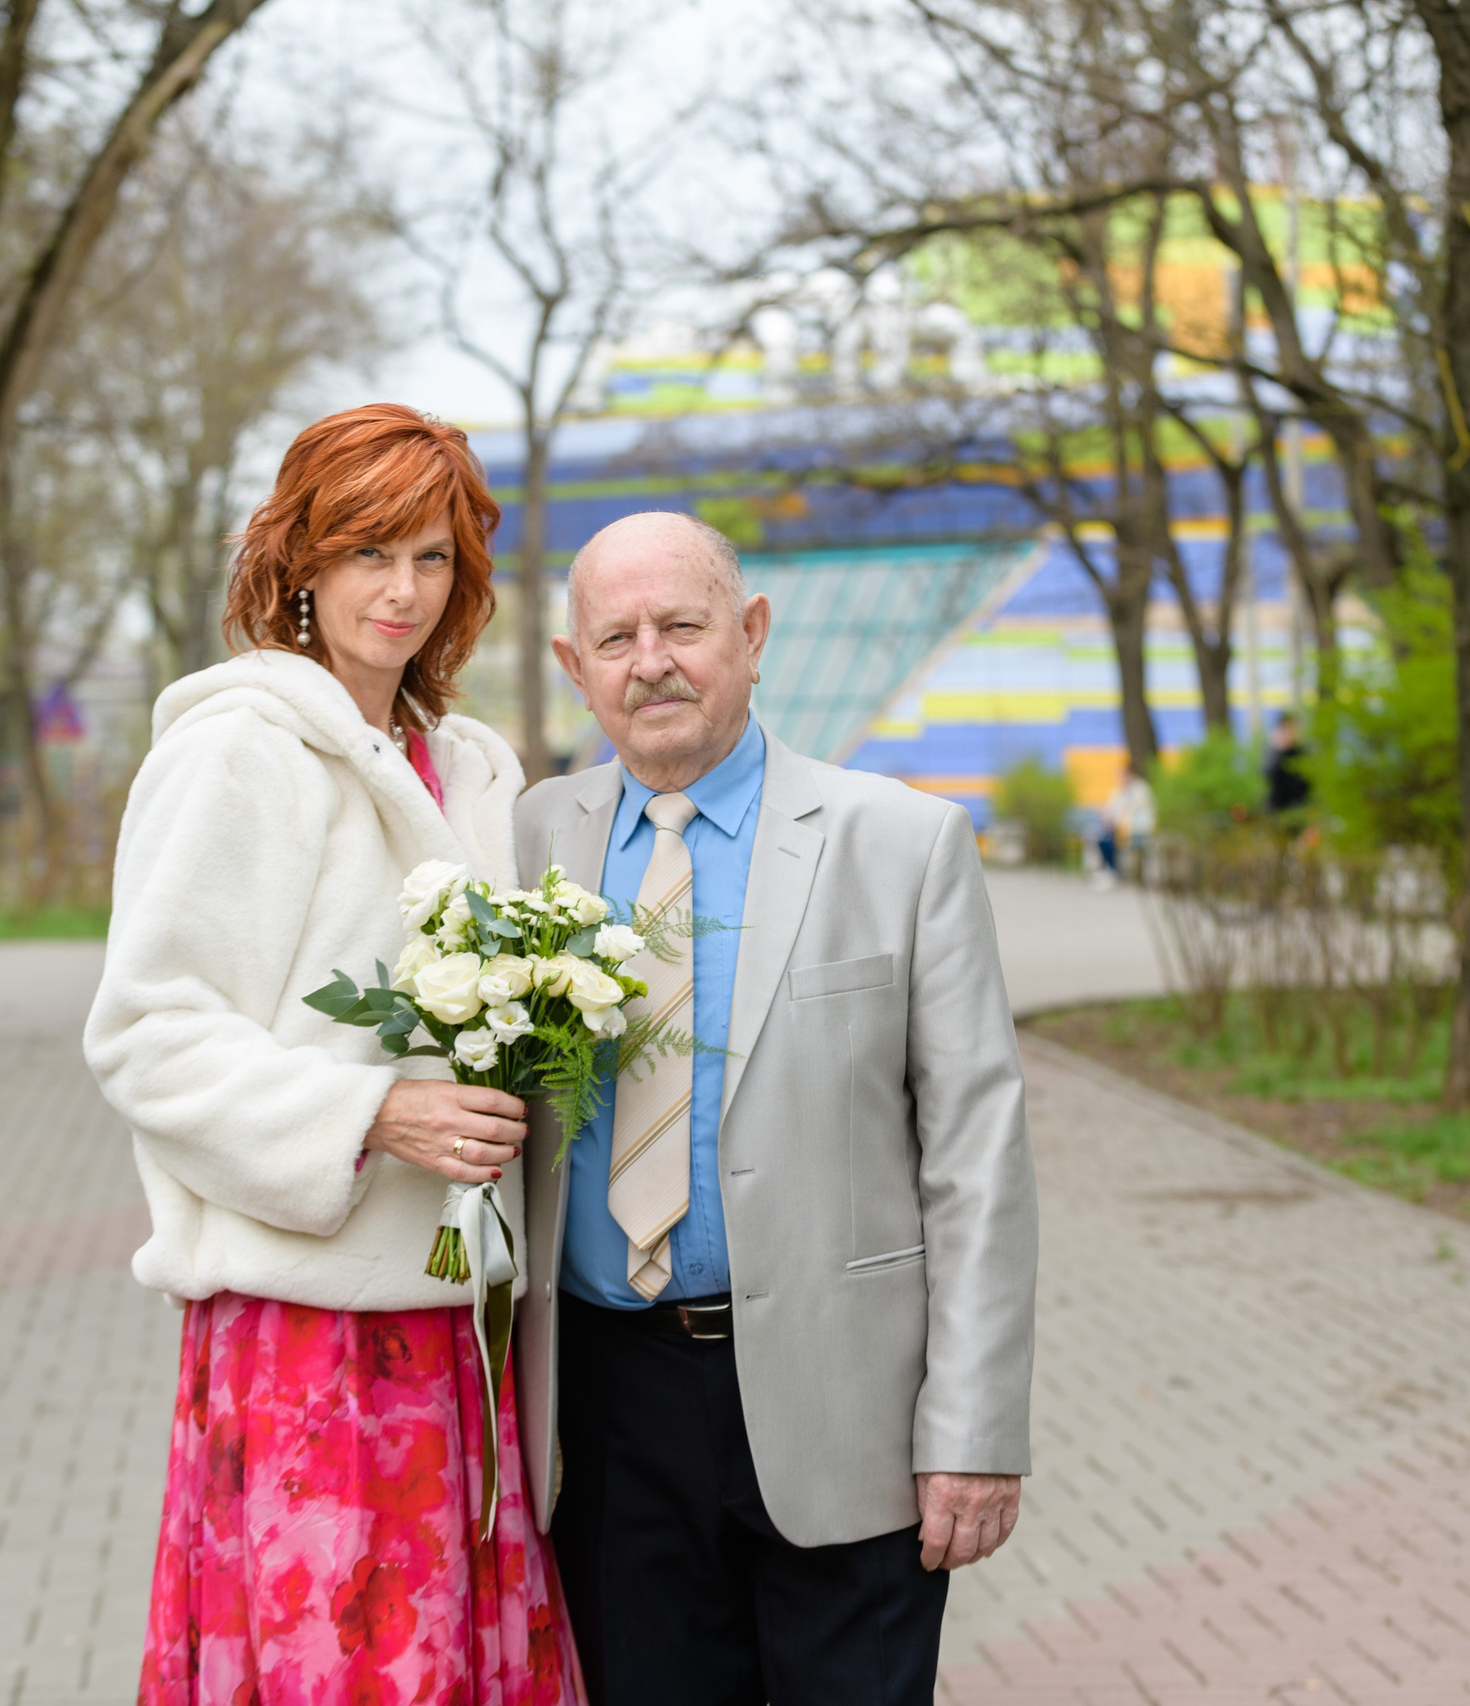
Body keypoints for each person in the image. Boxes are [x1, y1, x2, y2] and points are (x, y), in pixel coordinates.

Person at [86, 405, 585, 1705]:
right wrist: (376, 1109)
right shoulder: (237, 751)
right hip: (308, 1330)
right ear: (303, 556)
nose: (403, 590)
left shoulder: (474, 764)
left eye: (432, 557)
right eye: (371, 552)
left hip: (461, 1322)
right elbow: (147, 1033)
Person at [512, 512, 1038, 1706]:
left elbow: (978, 1161)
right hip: (607, 1412)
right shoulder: (529, 842)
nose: (650, 659)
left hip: (842, 1407)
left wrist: (973, 1426)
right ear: (573, 667)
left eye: (682, 626)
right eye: (615, 636)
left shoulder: (901, 842)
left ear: (750, 635)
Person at [1097, 760, 1156, 885]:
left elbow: (1142, 813)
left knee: (1109, 842)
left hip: (1136, 830)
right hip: (1118, 829)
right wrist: (1107, 817)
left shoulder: (1141, 790)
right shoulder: (1118, 791)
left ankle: (1112, 872)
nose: (1120, 777)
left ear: (1130, 774)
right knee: (1103, 840)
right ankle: (1110, 870)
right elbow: (1110, 810)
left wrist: (1121, 821)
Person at [1265, 711, 1314, 815]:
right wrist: (1278, 750)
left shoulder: (1303, 753)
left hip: (1301, 810)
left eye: (1291, 729)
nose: (1288, 733)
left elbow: (1309, 783)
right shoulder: (1274, 753)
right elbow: (1267, 775)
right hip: (1277, 810)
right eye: (1284, 729)